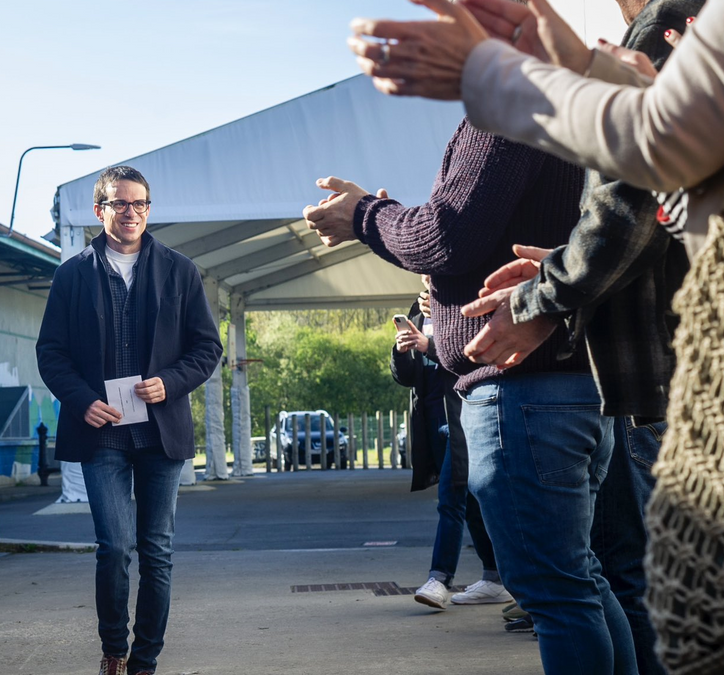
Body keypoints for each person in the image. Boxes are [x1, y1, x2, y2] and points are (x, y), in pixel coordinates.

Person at [349, 1, 724, 670]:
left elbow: (450, 235)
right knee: (602, 578)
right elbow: (668, 158)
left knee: (565, 585)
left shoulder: (673, 24)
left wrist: (362, 213)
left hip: (576, 385)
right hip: (613, 381)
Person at [303, 104, 636, 672]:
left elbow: (445, 234)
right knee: (579, 580)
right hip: (568, 387)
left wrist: (365, 215)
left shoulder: (504, 110)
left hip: (524, 393)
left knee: (555, 591)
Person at [452, 2, 701, 670]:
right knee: (618, 576)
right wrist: (565, 264)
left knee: (572, 586)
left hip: (668, 374)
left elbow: (633, 201)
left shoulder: (668, 25)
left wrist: (546, 293)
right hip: (640, 376)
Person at [36, 166, 223, 675]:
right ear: (100, 211)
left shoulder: (180, 271)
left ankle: (145, 661)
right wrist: (80, 400)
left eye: (140, 204)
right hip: (101, 435)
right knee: (115, 547)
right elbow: (50, 353)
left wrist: (172, 381)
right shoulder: (72, 273)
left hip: (160, 433)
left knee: (157, 551)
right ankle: (113, 650)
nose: (131, 213)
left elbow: (207, 347)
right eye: (120, 204)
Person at [390, 282, 507, 610]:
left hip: (463, 416)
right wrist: (401, 352)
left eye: (434, 273)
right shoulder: (418, 308)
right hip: (431, 419)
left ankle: (439, 578)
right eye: (424, 276)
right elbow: (408, 376)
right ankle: (496, 577)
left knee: (451, 499)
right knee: (469, 501)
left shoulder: (464, 303)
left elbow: (471, 356)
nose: (428, 280)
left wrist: (428, 344)